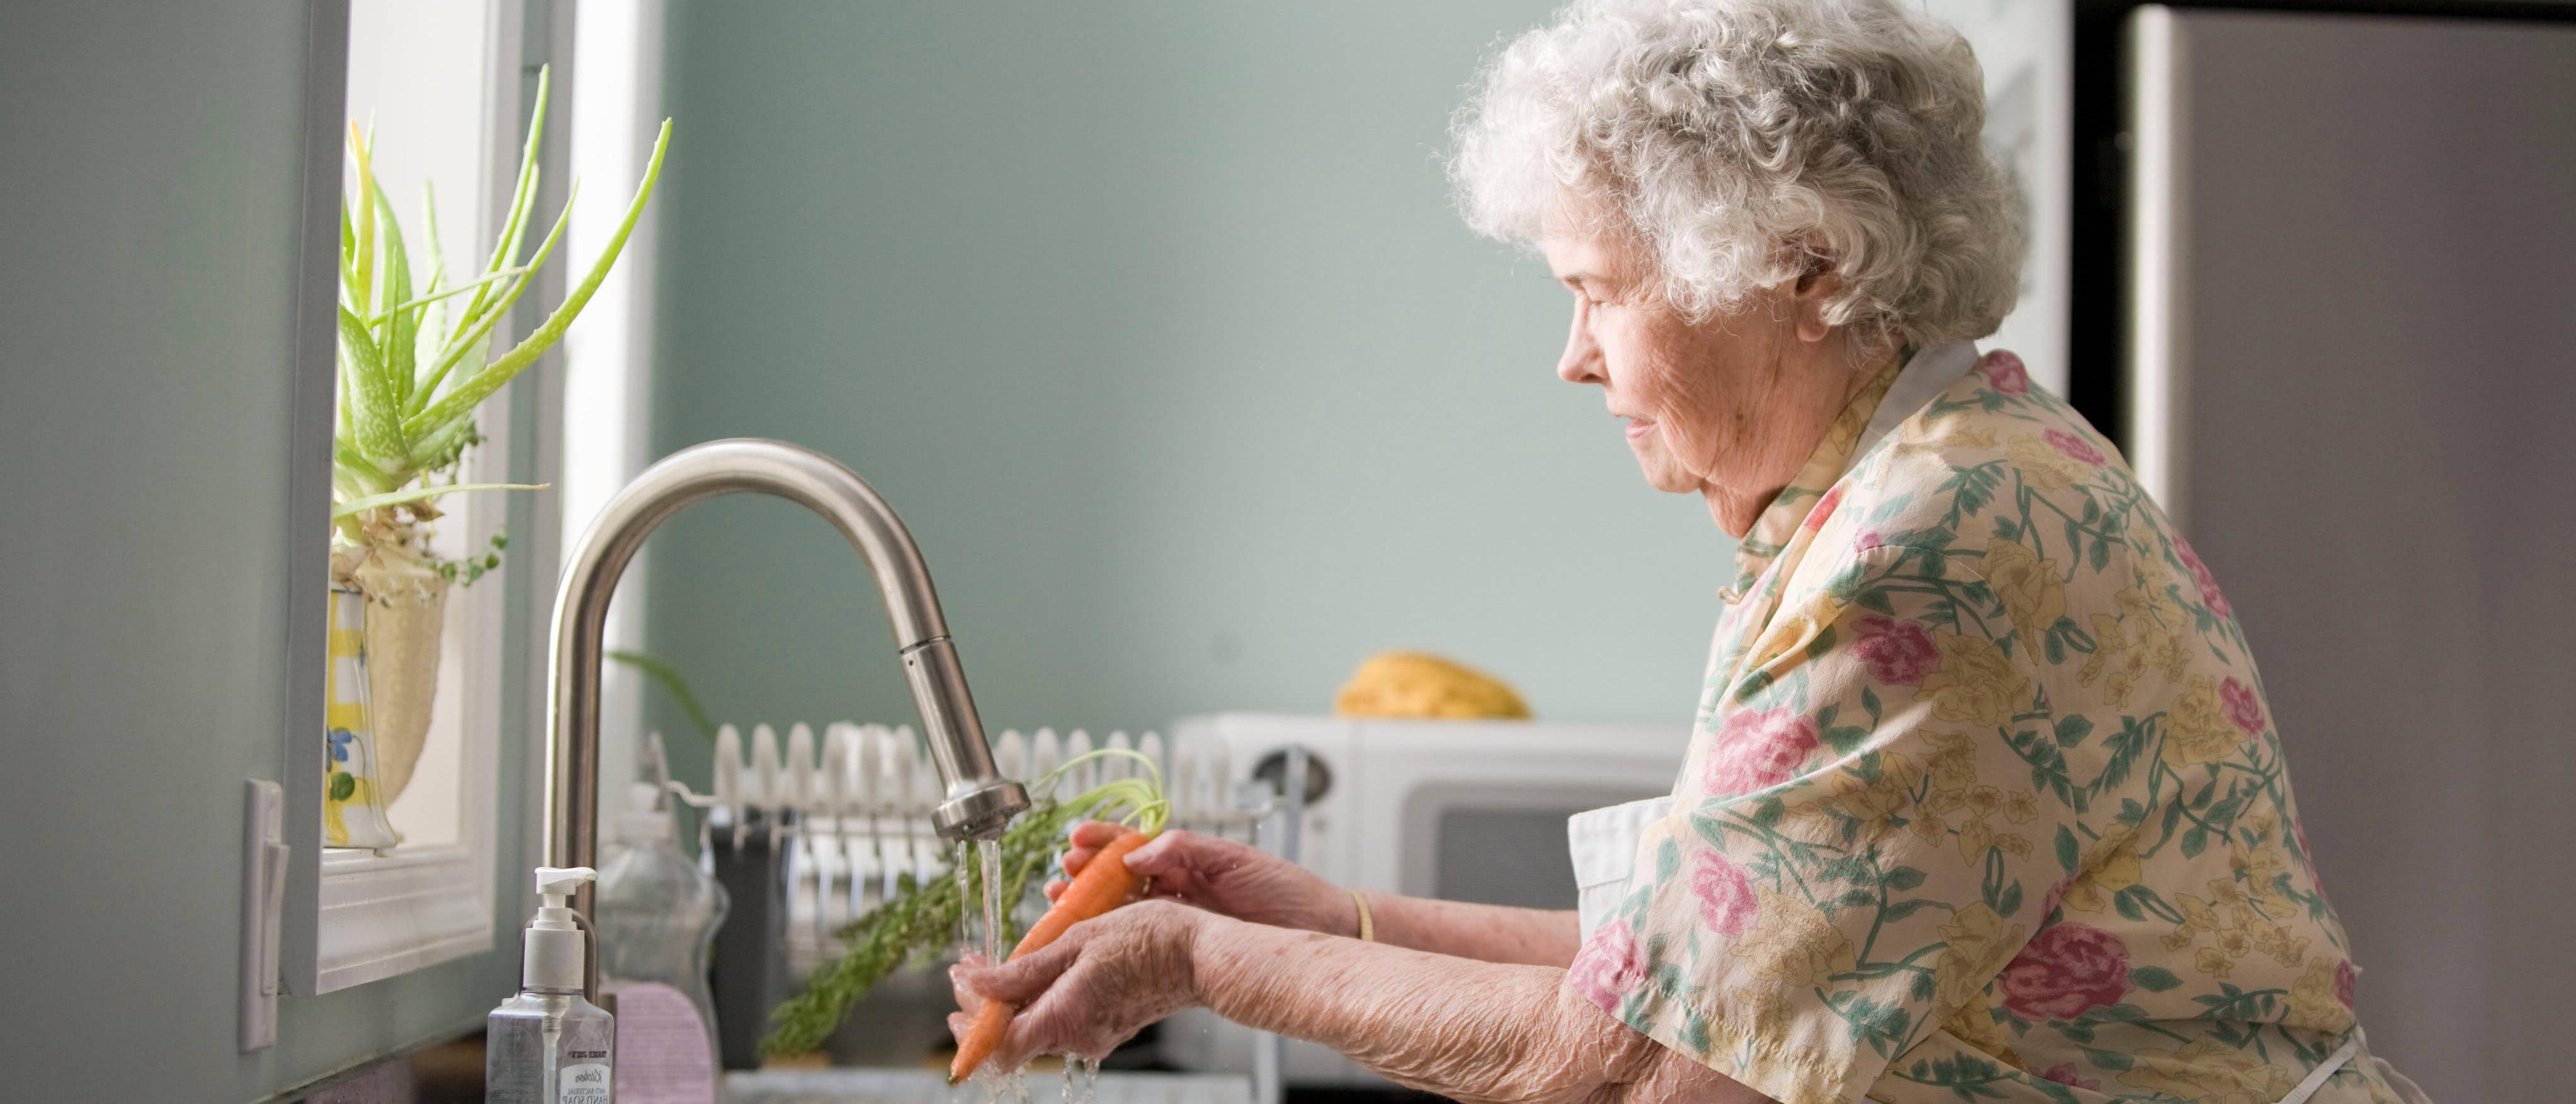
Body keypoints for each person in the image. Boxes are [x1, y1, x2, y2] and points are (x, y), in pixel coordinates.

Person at [948, 1, 2427, 1100]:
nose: (1573, 359)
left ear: (1807, 270)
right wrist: (1326, 914)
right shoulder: (1923, 482)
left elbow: (1647, 1066)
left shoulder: (1933, 549)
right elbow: (1708, 968)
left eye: (1601, 292)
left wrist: (1202, 963)